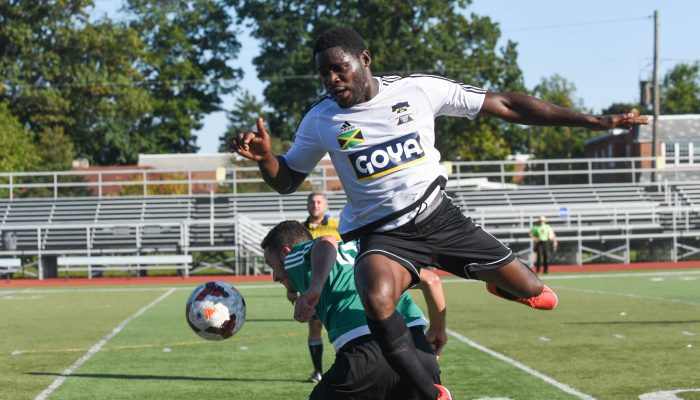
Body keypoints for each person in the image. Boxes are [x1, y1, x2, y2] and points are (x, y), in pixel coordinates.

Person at [231, 27, 648, 400]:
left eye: (339, 69)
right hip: (385, 236)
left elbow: (505, 104)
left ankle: (502, 284)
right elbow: (286, 180)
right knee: (375, 295)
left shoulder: (418, 90)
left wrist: (592, 120)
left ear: (365, 60)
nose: (332, 80)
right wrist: (267, 157)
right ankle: (430, 392)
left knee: (536, 290)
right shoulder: (322, 118)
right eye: (324, 74)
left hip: (441, 219)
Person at [261, 220, 448, 399]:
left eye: (271, 265)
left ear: (286, 253)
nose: (274, 277)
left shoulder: (295, 255)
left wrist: (315, 287)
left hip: (366, 353)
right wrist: (438, 331)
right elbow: (431, 280)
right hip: (419, 353)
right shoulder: (368, 252)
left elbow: (327, 241)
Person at [297, 192, 342, 383]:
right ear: (307, 205)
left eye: (318, 202)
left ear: (326, 205)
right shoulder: (299, 230)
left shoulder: (337, 226)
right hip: (311, 288)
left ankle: (344, 369)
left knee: (340, 327)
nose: (315, 205)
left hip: (336, 286)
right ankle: (318, 372)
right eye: (311, 202)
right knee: (314, 327)